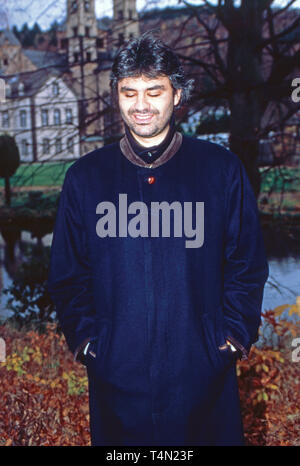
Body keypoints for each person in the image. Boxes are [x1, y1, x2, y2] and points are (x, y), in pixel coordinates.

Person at [47, 32, 269, 446]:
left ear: (177, 94)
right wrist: (90, 344)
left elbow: (247, 265)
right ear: (116, 95)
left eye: (154, 90)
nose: (141, 105)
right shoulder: (86, 177)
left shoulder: (220, 170)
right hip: (117, 378)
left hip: (203, 375)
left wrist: (231, 339)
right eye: (129, 92)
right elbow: (67, 274)